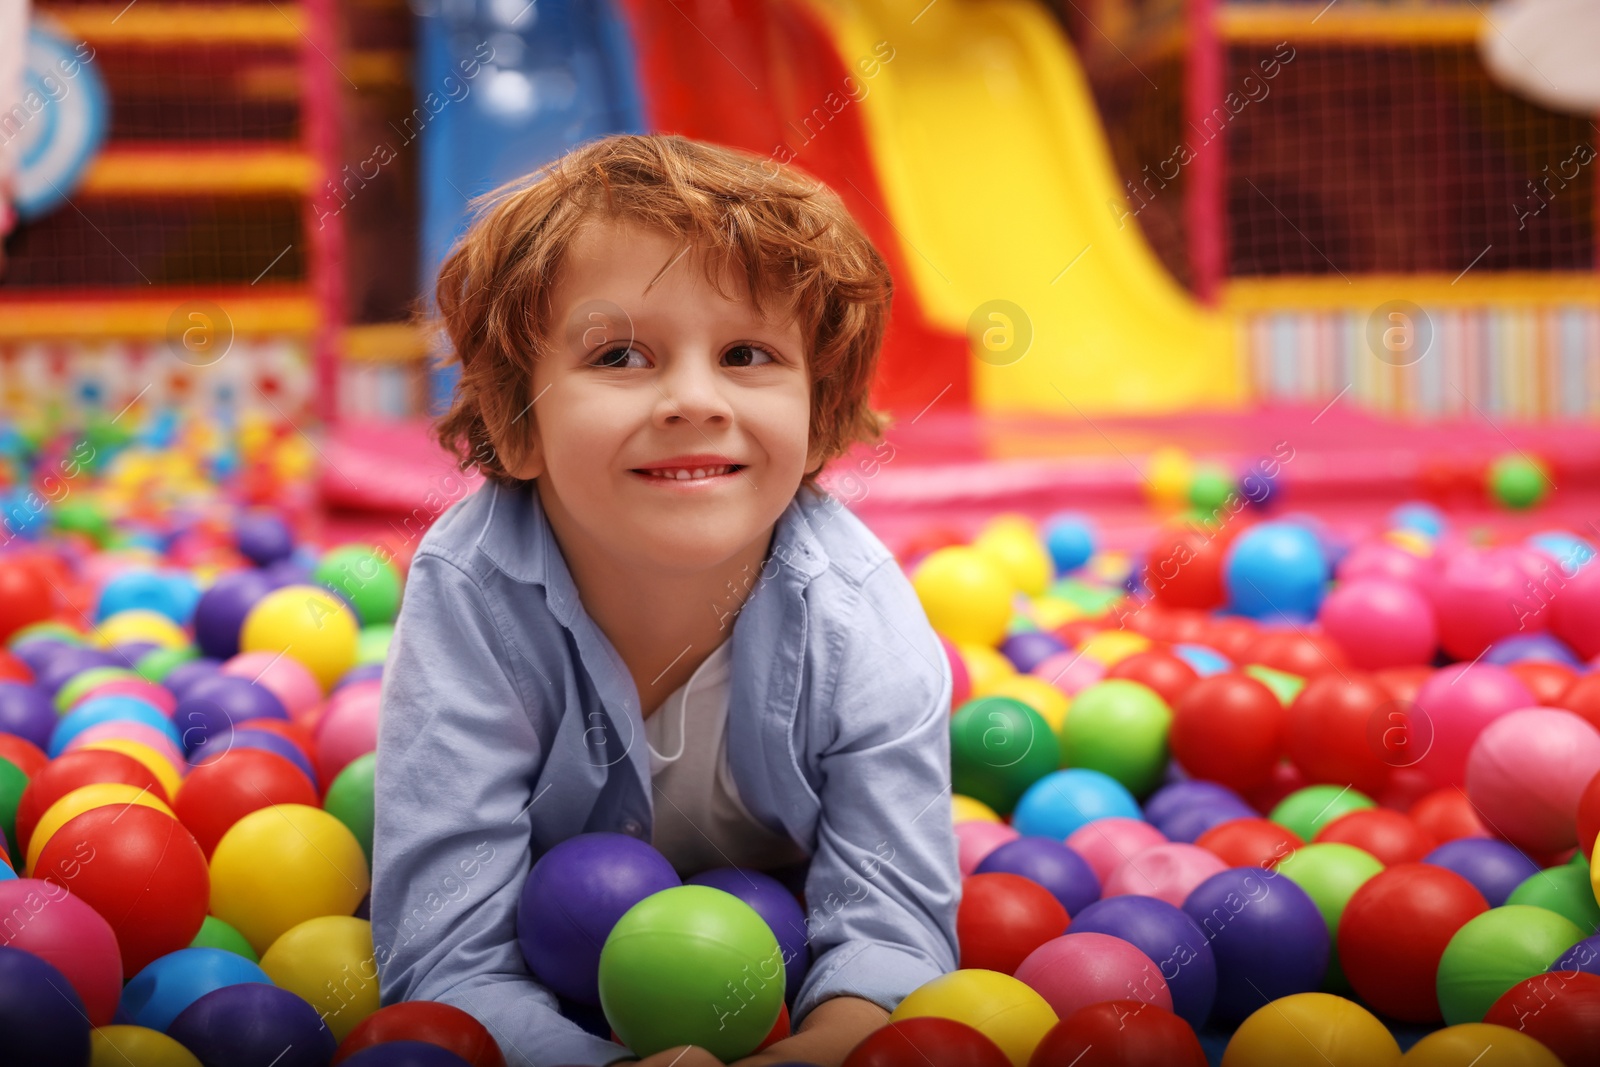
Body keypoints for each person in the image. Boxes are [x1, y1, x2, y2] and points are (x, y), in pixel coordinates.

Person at [371, 133, 960, 1067]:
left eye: (746, 352)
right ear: (513, 424)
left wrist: (835, 1038)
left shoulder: (861, 620)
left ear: (820, 414)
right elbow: (445, 953)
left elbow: (895, 920)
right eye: (620, 356)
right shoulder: (474, 593)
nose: (694, 398)